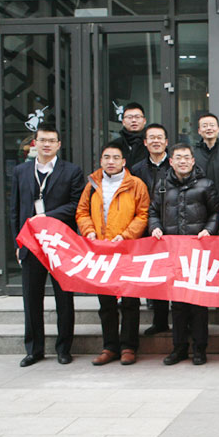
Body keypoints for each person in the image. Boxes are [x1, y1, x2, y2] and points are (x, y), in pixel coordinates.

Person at [10, 124, 84, 367]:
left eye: (52, 140)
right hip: (31, 245)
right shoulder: (21, 171)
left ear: (59, 145)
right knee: (31, 300)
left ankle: (64, 349)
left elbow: (75, 205)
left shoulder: (71, 171)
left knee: (64, 299)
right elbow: (15, 210)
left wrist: (46, 216)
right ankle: (34, 350)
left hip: (59, 245)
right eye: (42, 140)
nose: (47, 144)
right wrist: (18, 242)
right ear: (35, 142)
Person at [76, 141, 150, 366]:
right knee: (106, 302)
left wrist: (126, 236)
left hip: (127, 250)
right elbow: (82, 212)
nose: (111, 162)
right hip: (101, 252)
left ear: (123, 161)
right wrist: (89, 231)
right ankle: (109, 347)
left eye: (116, 158)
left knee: (130, 301)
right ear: (101, 161)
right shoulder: (92, 184)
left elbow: (143, 214)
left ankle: (128, 346)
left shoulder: (136, 184)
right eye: (107, 157)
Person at [148, 143, 219, 366]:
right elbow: (153, 211)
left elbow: (216, 212)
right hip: (173, 252)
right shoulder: (162, 185)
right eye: (178, 157)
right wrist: (155, 227)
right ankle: (179, 348)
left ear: (193, 160)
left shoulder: (206, 184)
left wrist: (209, 230)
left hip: (198, 252)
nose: (182, 161)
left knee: (198, 303)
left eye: (186, 157)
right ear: (171, 161)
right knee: (177, 304)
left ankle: (200, 348)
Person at [131, 123, 171, 337]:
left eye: (160, 137)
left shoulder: (175, 164)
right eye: (152, 138)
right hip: (146, 228)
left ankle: (184, 322)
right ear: (145, 143)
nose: (156, 141)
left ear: (166, 142)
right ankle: (160, 321)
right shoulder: (137, 169)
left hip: (173, 227)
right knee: (155, 275)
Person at [112, 102, 149, 170]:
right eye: (129, 117)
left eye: (137, 117)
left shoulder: (150, 143)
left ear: (144, 121)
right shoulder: (115, 145)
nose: (134, 120)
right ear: (123, 122)